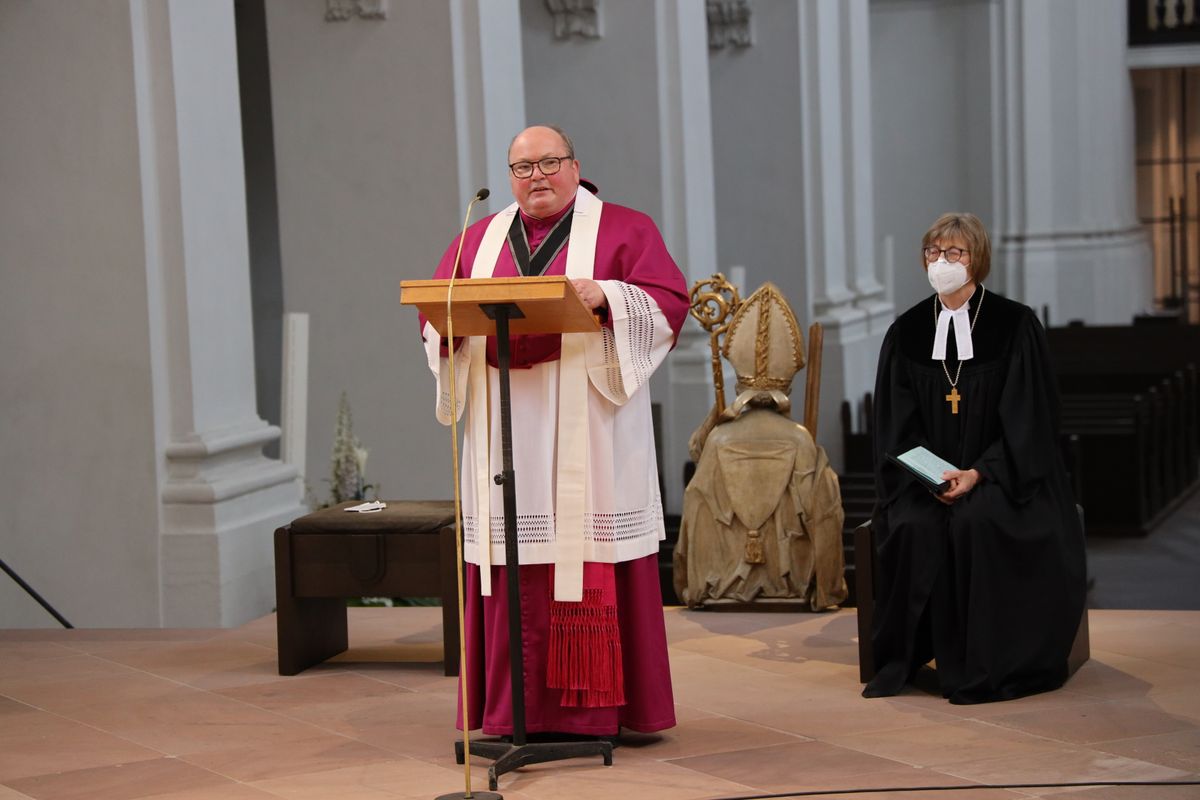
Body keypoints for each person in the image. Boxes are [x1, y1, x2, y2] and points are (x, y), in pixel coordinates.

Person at [420, 125, 687, 736]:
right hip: (504, 419)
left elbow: (667, 300)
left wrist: (610, 296)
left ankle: (594, 713)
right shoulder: (479, 238)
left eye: (548, 162)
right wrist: (448, 329)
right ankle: (511, 712)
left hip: (590, 426)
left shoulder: (625, 227)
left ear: (575, 164)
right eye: (522, 168)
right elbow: (437, 313)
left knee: (585, 539)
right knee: (510, 548)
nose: (536, 176)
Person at [864, 212, 1087, 705]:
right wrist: (933, 477)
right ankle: (910, 656)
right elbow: (897, 426)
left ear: (977, 259)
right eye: (934, 253)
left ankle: (990, 664)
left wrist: (980, 472)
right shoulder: (908, 332)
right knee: (915, 527)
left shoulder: (1014, 325)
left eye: (955, 253)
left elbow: (1030, 420)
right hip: (930, 479)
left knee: (979, 523)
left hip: (1004, 476)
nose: (942, 262)